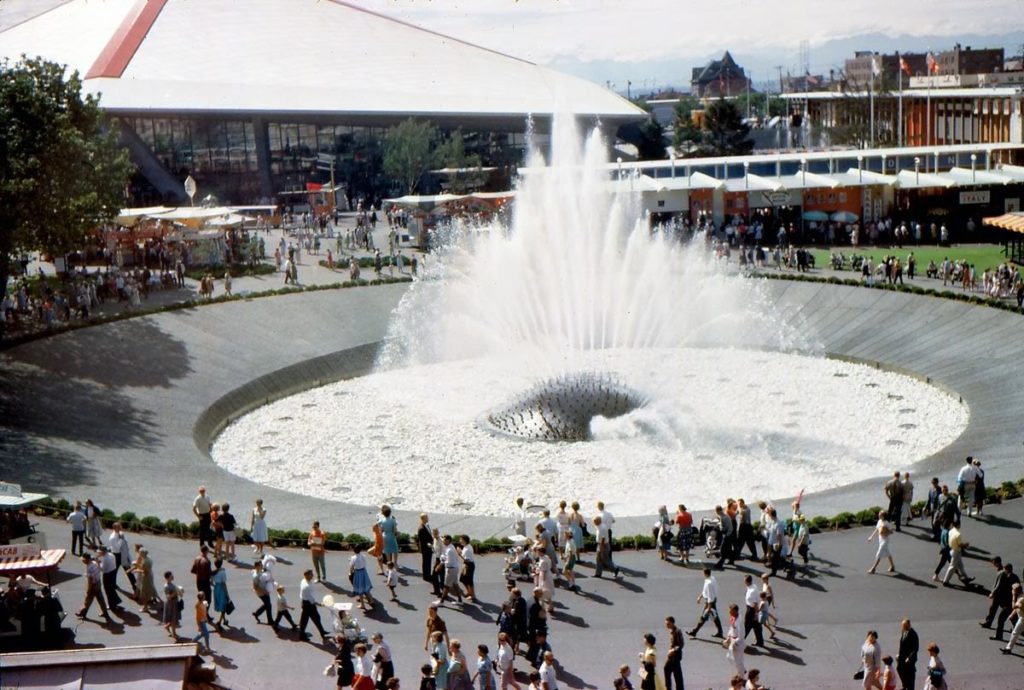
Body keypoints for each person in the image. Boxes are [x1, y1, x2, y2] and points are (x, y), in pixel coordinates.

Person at [687, 569, 723, 638]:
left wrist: (709, 607)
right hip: (711, 600)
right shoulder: (711, 578)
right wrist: (700, 596)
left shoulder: (709, 583)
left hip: (710, 602)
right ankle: (720, 632)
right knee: (715, 616)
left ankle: (694, 632)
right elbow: (705, 590)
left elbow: (710, 595)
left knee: (703, 617)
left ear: (705, 573)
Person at [76, 553, 112, 622]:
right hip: (98, 583)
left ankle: (82, 613)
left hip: (93, 585)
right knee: (101, 599)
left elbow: (90, 580)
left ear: (87, 560)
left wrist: (88, 589)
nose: (82, 561)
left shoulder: (89, 568)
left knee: (88, 600)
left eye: (83, 560)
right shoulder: (95, 563)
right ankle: (105, 614)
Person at [298, 569, 329, 642]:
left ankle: (322, 632)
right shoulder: (306, 586)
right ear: (307, 575)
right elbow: (311, 600)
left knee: (316, 617)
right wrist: (320, 604)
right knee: (305, 620)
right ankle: (302, 635)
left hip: (306, 603)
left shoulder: (304, 581)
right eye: (311, 574)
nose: (313, 575)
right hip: (308, 604)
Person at [867, 510, 896, 575]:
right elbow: (876, 529)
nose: (878, 514)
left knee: (879, 554)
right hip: (880, 540)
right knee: (888, 553)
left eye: (880, 514)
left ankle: (873, 569)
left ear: (883, 516)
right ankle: (892, 566)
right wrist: (871, 537)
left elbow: (891, 531)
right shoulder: (879, 521)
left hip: (885, 541)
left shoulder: (887, 523)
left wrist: (886, 533)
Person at [131, 546, 159, 613]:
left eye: (140, 553)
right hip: (150, 576)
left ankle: (145, 607)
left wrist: (136, 570)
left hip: (146, 578)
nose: (139, 554)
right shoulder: (149, 559)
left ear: (143, 554)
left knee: (144, 593)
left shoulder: (145, 561)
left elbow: (144, 571)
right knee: (151, 589)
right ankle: (157, 600)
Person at [350, 543, 376, 611]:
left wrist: (350, 572)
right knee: (366, 588)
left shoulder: (353, 558)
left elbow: (352, 566)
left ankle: (362, 604)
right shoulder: (363, 556)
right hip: (364, 572)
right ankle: (371, 600)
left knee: (360, 589)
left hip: (358, 573)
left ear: (354, 550)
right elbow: (364, 564)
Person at [251, 560, 275, 627]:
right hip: (261, 593)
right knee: (268, 605)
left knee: (267, 605)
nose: (261, 566)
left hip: (265, 590)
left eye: (261, 565)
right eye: (260, 565)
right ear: (256, 566)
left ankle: (257, 613)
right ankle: (270, 620)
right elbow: (255, 587)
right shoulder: (255, 576)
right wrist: (264, 592)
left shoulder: (261, 571)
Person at [896, 619, 918, 690]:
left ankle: (909, 687)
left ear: (909, 624)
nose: (903, 626)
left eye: (905, 625)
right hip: (902, 657)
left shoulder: (913, 634)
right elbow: (902, 645)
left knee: (910, 674)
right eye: (903, 625)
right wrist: (899, 655)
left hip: (910, 659)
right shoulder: (904, 632)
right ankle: (904, 685)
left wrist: (909, 657)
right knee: (899, 668)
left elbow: (915, 648)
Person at [725, 604, 746, 678]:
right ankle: (742, 669)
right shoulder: (733, 618)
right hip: (733, 639)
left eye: (730, 610)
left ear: (735, 611)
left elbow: (742, 634)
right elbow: (731, 629)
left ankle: (741, 676)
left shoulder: (739, 621)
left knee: (738, 660)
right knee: (730, 657)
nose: (729, 612)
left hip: (738, 643)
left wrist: (735, 642)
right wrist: (728, 638)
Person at [663, 616, 684, 690]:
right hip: (673, 657)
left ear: (672, 623)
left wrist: (673, 650)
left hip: (675, 656)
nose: (666, 625)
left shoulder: (677, 631)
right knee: (676, 673)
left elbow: (681, 644)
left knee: (667, 669)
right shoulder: (672, 631)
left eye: (668, 624)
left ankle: (668, 687)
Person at [211, 558, 231, 627]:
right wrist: (227, 593)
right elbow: (224, 584)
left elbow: (211, 582)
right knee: (224, 605)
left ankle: (224, 620)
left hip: (216, 588)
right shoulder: (222, 572)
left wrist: (215, 586)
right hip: (221, 588)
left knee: (221, 604)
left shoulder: (213, 572)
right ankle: (219, 621)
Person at [378, 505, 399, 569]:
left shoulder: (382, 520)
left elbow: (381, 530)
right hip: (391, 536)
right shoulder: (393, 520)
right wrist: (396, 534)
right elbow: (395, 530)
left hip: (385, 536)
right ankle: (395, 563)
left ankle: (389, 565)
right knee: (395, 550)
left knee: (387, 551)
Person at [162, 571, 181, 639]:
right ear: (168, 577)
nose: (172, 576)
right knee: (173, 619)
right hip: (171, 604)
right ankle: (174, 634)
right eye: (171, 576)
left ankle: (167, 627)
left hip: (174, 603)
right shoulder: (166, 586)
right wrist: (175, 593)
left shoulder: (171, 584)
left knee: (174, 619)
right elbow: (168, 597)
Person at [458, 535, 477, 602]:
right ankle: (469, 592)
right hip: (467, 565)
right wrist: (460, 551)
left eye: (461, 539)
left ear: (464, 540)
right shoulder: (467, 546)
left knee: (469, 581)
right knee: (463, 579)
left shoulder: (467, 549)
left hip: (468, 565)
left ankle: (473, 595)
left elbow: (466, 560)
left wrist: (459, 553)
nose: (460, 541)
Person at [417, 514, 434, 583]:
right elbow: (422, 540)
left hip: (428, 547)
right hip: (425, 548)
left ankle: (428, 574)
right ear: (423, 519)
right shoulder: (421, 528)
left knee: (428, 561)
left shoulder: (426, 526)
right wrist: (429, 544)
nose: (428, 518)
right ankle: (426, 576)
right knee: (426, 562)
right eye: (427, 517)